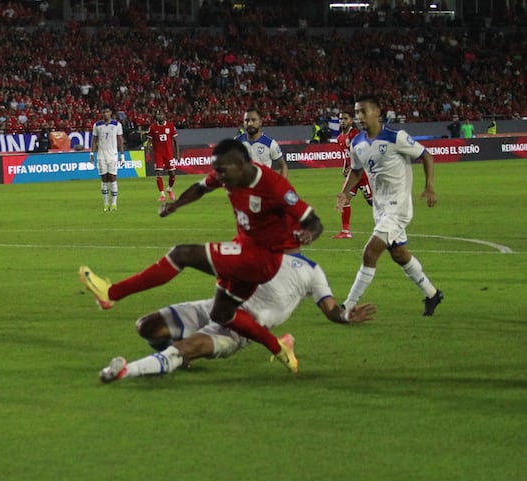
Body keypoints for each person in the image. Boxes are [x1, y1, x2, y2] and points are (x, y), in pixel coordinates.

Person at [79, 138, 324, 374]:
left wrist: (308, 235)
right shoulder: (228, 176)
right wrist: (176, 205)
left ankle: (111, 294)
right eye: (215, 170)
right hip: (245, 251)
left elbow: (313, 221)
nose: (218, 176)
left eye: (222, 170)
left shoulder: (274, 186)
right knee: (222, 314)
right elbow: (201, 188)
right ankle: (279, 347)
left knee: (183, 253)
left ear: (241, 165)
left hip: (261, 259)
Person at [98, 252, 377, 383]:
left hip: (240, 331)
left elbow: (330, 309)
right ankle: (174, 359)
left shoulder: (312, 270)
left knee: (183, 348)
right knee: (147, 327)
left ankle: (124, 371)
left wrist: (345, 316)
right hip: (215, 307)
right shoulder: (259, 251)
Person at [336, 94, 443, 317]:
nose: (359, 117)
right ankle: (433, 294)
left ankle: (347, 306)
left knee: (369, 253)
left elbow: (426, 156)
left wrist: (429, 186)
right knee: (400, 254)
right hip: (380, 207)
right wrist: (345, 193)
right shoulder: (357, 143)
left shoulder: (396, 137)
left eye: (363, 111)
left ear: (377, 112)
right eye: (356, 113)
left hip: (398, 207)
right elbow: (356, 171)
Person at [333, 110, 373, 239]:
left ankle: (392, 223)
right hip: (352, 176)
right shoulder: (340, 138)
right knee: (344, 199)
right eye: (340, 119)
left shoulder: (355, 135)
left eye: (345, 118)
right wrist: (345, 167)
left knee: (373, 202)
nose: (342, 121)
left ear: (351, 120)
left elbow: (363, 154)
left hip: (362, 175)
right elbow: (347, 156)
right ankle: (345, 231)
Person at [89, 106, 124, 212]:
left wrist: (122, 155)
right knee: (104, 179)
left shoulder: (117, 125)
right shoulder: (97, 125)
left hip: (113, 155)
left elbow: (120, 140)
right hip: (101, 155)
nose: (105, 114)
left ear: (110, 113)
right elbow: (94, 140)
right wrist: (91, 153)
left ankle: (114, 203)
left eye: (107, 112)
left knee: (112, 178)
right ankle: (106, 204)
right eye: (103, 112)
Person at [236, 108, 288, 177]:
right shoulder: (236, 143)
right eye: (246, 120)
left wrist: (281, 185)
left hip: (263, 186)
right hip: (243, 186)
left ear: (260, 122)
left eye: (253, 120)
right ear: (243, 123)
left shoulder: (270, 143)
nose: (250, 123)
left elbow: (283, 165)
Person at [146, 110, 180, 203]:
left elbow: (175, 141)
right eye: (158, 114)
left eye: (161, 114)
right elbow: (149, 142)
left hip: (169, 154)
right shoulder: (153, 127)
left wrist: (177, 154)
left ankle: (169, 189)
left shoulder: (170, 126)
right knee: (159, 174)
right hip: (158, 155)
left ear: (165, 116)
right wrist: (148, 154)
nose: (159, 116)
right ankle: (162, 195)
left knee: (172, 175)